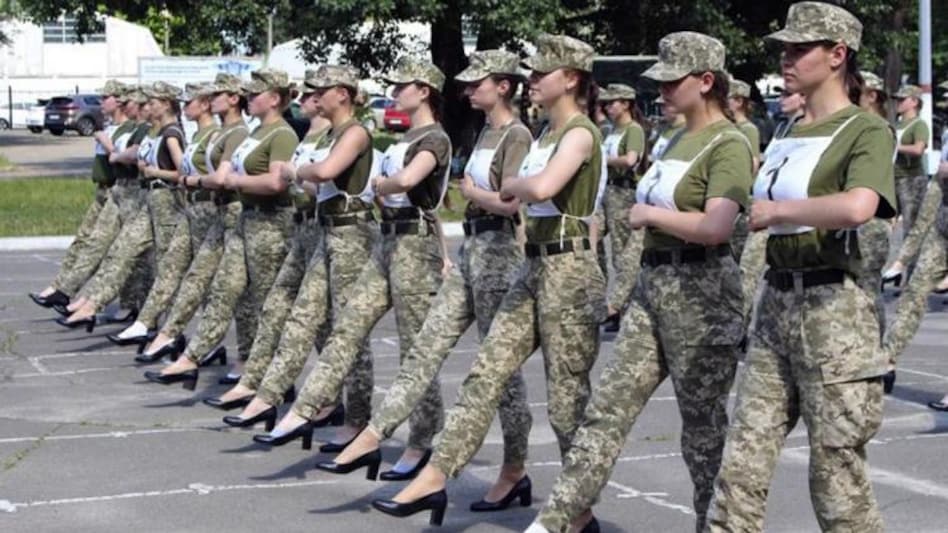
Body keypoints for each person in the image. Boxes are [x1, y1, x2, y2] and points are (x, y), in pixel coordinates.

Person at [369, 33, 606, 527]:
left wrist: (506, 187)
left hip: (570, 270)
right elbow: (519, 190)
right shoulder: (542, 135)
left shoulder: (579, 132)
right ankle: (436, 474)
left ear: (572, 79)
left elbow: (533, 188)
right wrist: (504, 188)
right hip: (535, 265)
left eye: (542, 73)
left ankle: (577, 510)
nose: (533, 81)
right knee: (485, 373)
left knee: (566, 404)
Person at [526, 32, 751, 533]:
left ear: (706, 81)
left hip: (703, 293)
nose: (663, 90)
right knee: (606, 411)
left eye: (674, 81)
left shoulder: (729, 143)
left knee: (703, 434)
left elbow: (717, 226)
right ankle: (555, 521)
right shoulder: (674, 138)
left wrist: (649, 214)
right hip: (654, 287)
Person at [314, 50, 536, 510]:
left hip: (498, 253)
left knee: (502, 376)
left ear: (504, 87)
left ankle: (514, 469)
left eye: (480, 83)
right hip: (472, 247)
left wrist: (473, 194)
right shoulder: (484, 132)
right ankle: (374, 434)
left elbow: (511, 202)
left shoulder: (516, 134)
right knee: (425, 347)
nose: (470, 89)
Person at [707, 3, 897, 531]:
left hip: (832, 310)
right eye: (785, 49)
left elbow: (861, 204)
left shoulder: (865, 129)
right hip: (777, 302)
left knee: (836, 478)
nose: (787, 59)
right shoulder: (789, 127)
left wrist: (779, 211)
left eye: (800, 49)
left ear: (837, 55)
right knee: (740, 465)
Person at [257, 58, 453, 484]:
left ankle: (420, 441)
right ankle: (304, 410)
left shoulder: (435, 137)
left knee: (414, 349)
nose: (396, 91)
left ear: (424, 91)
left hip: (412, 248)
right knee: (347, 326)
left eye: (404, 85)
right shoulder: (404, 137)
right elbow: (389, 192)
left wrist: (379, 187)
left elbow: (406, 183)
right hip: (387, 240)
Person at [144, 68, 299, 389]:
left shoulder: (282, 134)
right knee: (224, 290)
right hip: (247, 220)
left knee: (266, 303)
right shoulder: (255, 133)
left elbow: (275, 181)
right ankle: (193, 357)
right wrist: (225, 180)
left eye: (255, 94)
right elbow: (225, 173)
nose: (249, 99)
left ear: (274, 99)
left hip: (271, 224)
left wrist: (232, 181)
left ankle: (267, 378)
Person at [125, 73, 250, 366]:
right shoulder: (210, 134)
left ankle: (237, 359)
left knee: (234, 292)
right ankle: (164, 332)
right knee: (193, 276)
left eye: (191, 101)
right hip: (203, 208)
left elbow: (216, 177)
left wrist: (190, 179)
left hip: (222, 210)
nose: (184, 107)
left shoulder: (236, 133)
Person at [58, 81, 186, 331]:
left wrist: (153, 171)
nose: (145, 107)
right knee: (123, 251)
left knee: (164, 267)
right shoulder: (155, 132)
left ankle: (164, 329)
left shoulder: (172, 133)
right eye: (145, 102)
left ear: (167, 105)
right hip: (149, 201)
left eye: (152, 103)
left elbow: (183, 174)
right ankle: (92, 303)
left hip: (167, 203)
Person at [109, 82, 223, 347]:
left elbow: (189, 175)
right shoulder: (197, 135)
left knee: (209, 281)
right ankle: (156, 329)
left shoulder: (202, 134)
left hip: (204, 208)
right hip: (192, 207)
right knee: (173, 268)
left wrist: (157, 173)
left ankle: (186, 340)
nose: (186, 106)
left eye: (190, 101)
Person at [29, 80, 136, 311]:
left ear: (118, 101)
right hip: (101, 189)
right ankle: (60, 288)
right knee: (83, 239)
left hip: (117, 191)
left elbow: (125, 159)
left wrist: (105, 142)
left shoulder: (129, 129)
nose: (100, 102)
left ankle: (73, 293)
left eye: (105, 97)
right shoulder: (107, 126)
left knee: (103, 246)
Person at [597, 83, 647, 332]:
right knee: (593, 240)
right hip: (607, 191)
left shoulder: (633, 129)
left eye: (612, 102)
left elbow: (630, 160)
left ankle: (623, 307)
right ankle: (607, 301)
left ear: (626, 103)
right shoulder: (612, 130)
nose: (608, 107)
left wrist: (602, 160)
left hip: (623, 192)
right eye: (606, 103)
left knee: (621, 252)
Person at [892, 84, 930, 238]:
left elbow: (918, 149)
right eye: (897, 99)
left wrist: (895, 147)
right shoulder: (896, 124)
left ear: (914, 102)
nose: (898, 103)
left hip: (911, 179)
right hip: (893, 178)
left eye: (902, 99)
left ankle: (910, 261)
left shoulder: (919, 124)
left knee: (911, 225)